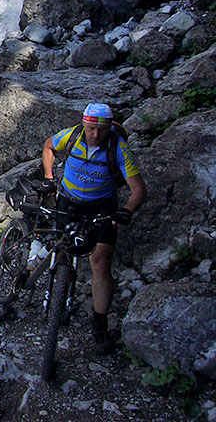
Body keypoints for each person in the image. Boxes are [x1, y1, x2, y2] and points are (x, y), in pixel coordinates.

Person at [41, 103, 146, 355]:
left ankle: (100, 324)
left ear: (109, 128)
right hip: (69, 201)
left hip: (102, 207)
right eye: (90, 129)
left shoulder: (118, 148)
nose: (95, 135)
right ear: (83, 124)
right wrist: (48, 177)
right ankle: (54, 295)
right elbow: (48, 146)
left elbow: (139, 190)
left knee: (101, 261)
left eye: (100, 130)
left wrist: (127, 210)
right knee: (62, 249)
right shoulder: (72, 135)